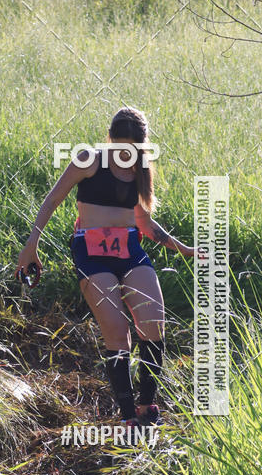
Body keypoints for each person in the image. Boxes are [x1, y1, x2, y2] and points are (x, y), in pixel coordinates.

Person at [15, 106, 195, 430]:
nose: (124, 154)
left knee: (153, 322)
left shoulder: (140, 170)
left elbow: (143, 221)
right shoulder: (88, 159)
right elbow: (52, 200)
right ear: (109, 138)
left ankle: (147, 406)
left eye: (132, 149)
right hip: (91, 252)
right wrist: (32, 245)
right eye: (119, 146)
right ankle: (127, 416)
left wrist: (183, 248)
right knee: (117, 331)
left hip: (129, 249)